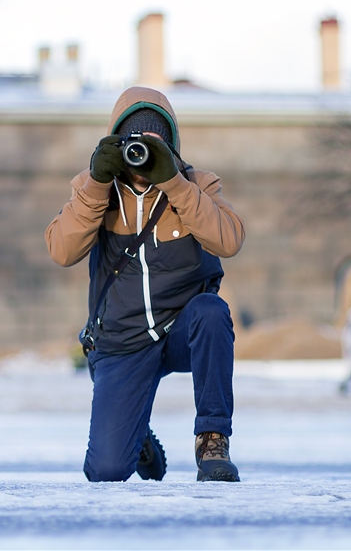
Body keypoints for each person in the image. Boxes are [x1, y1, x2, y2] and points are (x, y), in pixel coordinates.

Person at [45, 86, 245, 482]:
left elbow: (229, 240)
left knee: (212, 313)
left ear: (170, 146)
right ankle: (137, 435)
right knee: (106, 470)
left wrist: (174, 181)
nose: (142, 156)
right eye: (134, 143)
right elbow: (61, 250)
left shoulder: (196, 184)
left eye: (155, 145)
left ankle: (212, 441)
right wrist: (96, 184)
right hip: (123, 342)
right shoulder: (96, 190)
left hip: (181, 330)